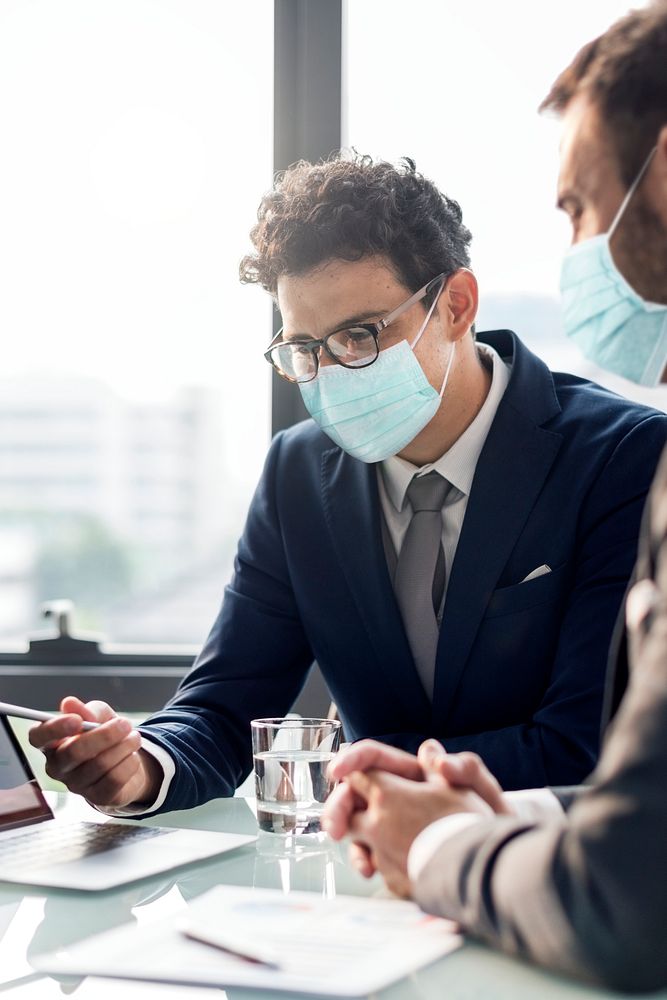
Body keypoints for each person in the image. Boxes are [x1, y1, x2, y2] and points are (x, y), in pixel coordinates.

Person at [29, 153, 665, 815]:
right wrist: (140, 765)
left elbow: (586, 745)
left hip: (548, 869)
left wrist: (366, 781)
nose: (330, 372)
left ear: (455, 304)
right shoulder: (296, 474)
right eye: (304, 349)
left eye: (359, 336)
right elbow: (221, 708)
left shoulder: (623, 458)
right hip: (361, 878)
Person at [323, 2, 667, 992]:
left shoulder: (626, 454)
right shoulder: (303, 476)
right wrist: (524, 814)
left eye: (576, 205)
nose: (574, 246)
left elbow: (624, 905)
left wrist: (432, 851)